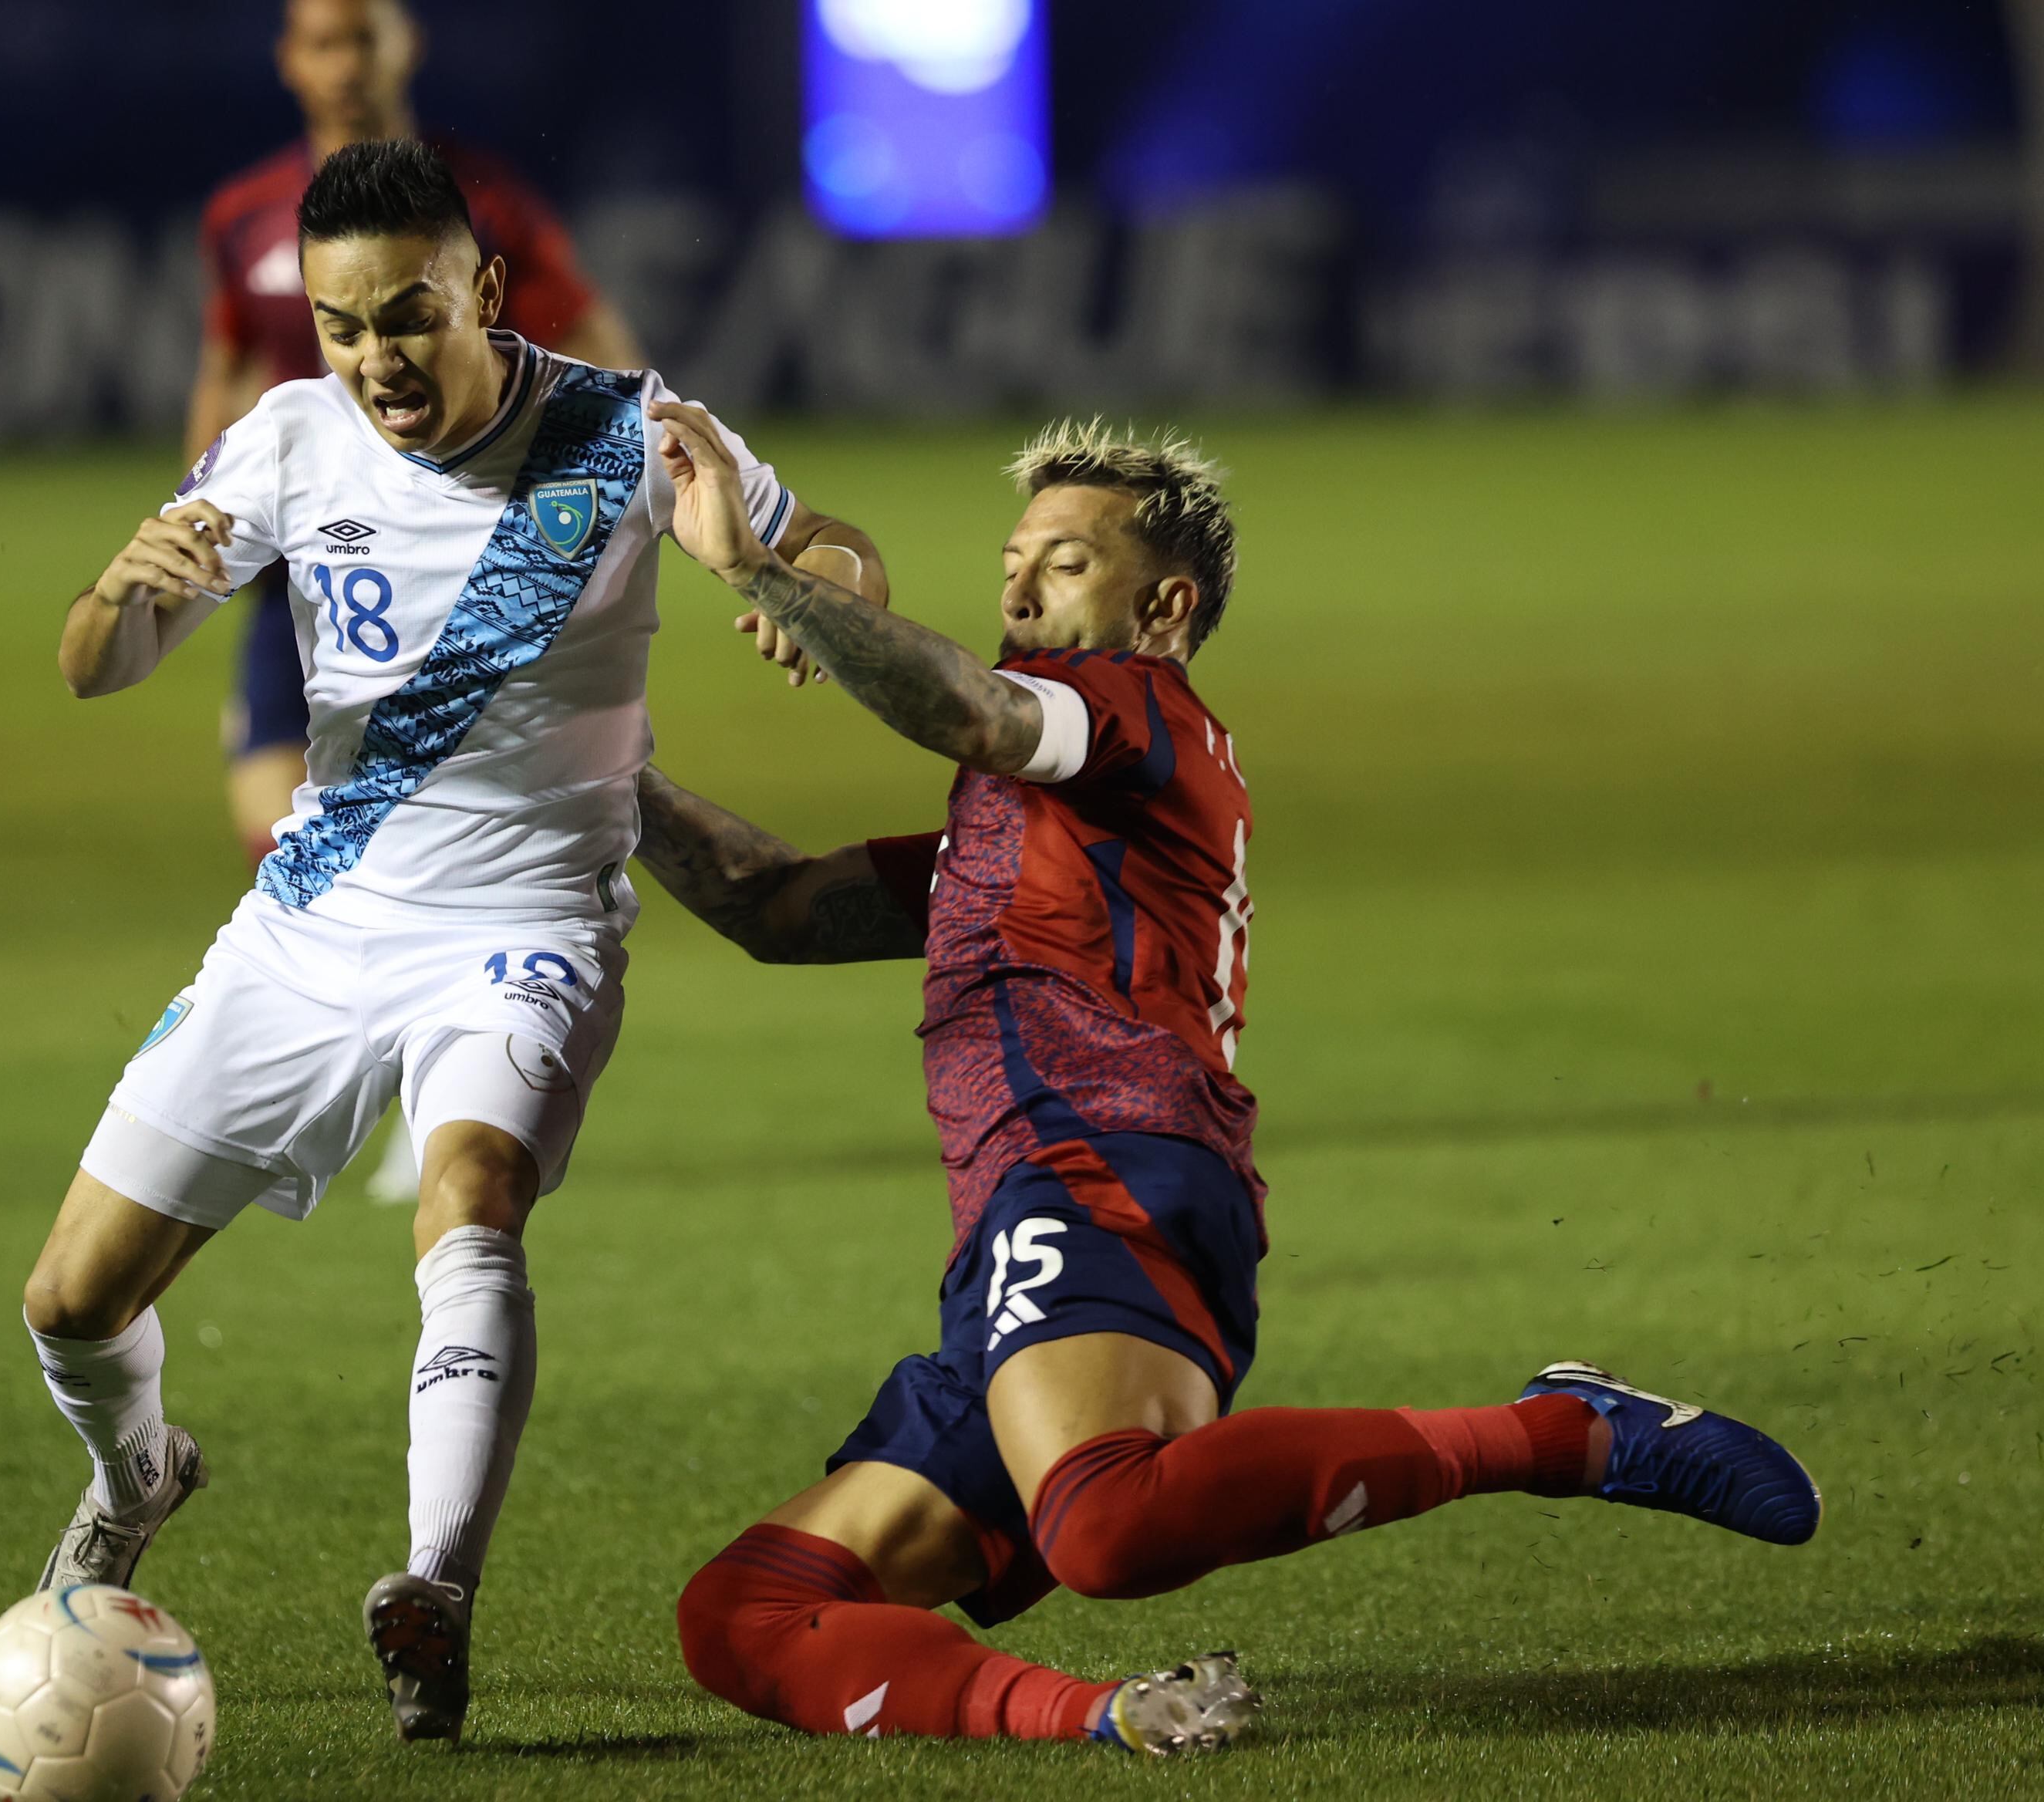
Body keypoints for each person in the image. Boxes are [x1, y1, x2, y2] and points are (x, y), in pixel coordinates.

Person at [623, 415, 1824, 1754]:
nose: (1018, 589)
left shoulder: (1137, 716)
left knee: (1109, 1528)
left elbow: (969, 702)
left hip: (1105, 1165)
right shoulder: (1027, 811)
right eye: (1013, 560)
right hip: (1018, 1226)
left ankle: (1562, 1433)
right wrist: (599, 774)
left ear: (1165, 605)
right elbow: (773, 906)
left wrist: (762, 574)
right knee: (749, 1609)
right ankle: (1114, 1718)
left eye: (1064, 564)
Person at [21, 139, 884, 1745]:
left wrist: (781, 579)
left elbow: (840, 544)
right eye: (344, 328)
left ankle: (434, 1592)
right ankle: (137, 1469)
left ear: (482, 291)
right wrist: (119, 598)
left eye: (405, 319)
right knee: (68, 1302)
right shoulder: (283, 439)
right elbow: (92, 663)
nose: (373, 361)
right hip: (309, 926)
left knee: (472, 1190)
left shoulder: (629, 431)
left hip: (526, 921)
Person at [193, 0, 648, 1205]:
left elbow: (598, 344)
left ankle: (440, 1074)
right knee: (274, 821)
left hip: (448, 579)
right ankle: (367, 1045)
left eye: (366, 36)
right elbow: (232, 365)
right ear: (289, 60)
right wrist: (198, 527)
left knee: (434, 827)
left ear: (407, 49)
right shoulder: (244, 216)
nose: (346, 63)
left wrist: (619, 495)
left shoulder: (479, 207)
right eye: (322, 40)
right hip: (301, 578)